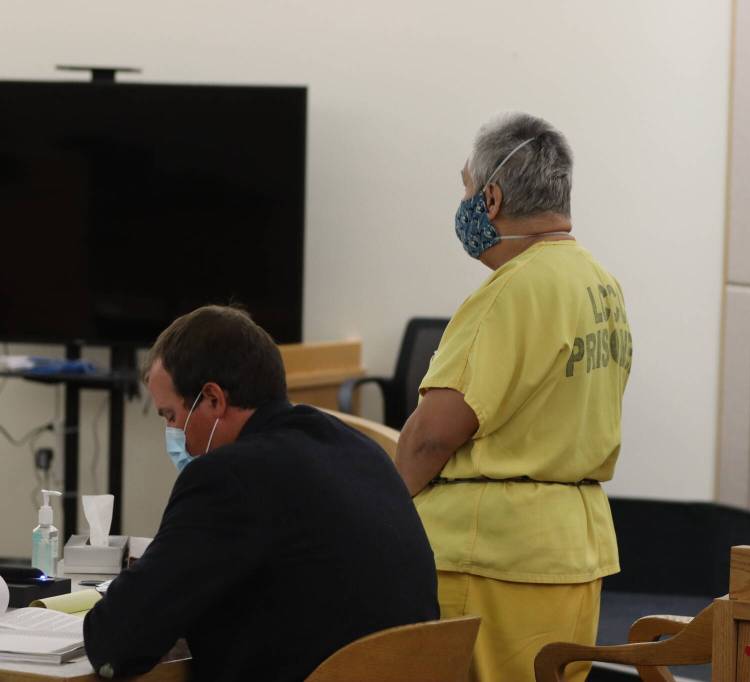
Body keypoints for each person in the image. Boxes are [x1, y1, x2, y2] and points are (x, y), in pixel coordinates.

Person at [396, 112, 632, 682]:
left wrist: (380, 514)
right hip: (573, 550)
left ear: (493, 199)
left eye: (468, 189)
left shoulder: (513, 291)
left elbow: (431, 436)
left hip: (493, 558)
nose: (466, 203)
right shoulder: (598, 282)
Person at [84, 305, 439, 681]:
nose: (174, 435)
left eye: (171, 416)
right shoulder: (360, 450)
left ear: (213, 399)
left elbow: (117, 642)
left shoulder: (227, 478)